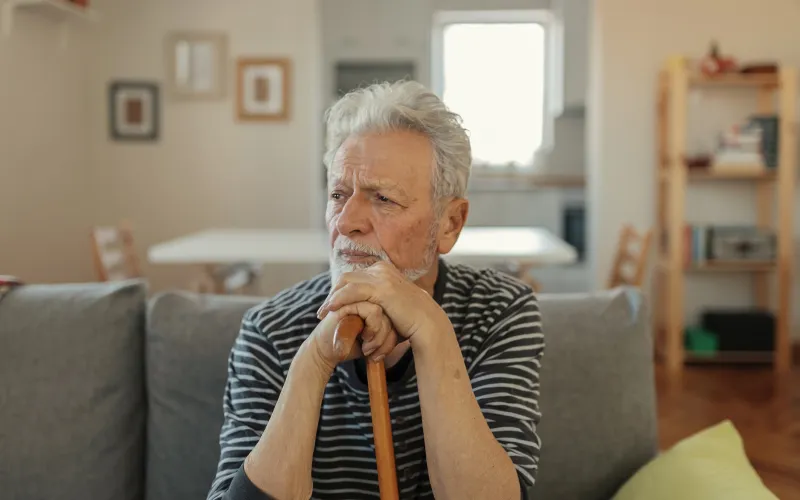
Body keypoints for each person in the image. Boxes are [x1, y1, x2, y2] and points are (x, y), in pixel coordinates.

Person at [207, 80, 544, 500]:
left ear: (450, 223)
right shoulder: (269, 330)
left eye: (383, 198)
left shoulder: (498, 311)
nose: (347, 221)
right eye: (338, 194)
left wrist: (430, 328)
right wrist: (313, 362)